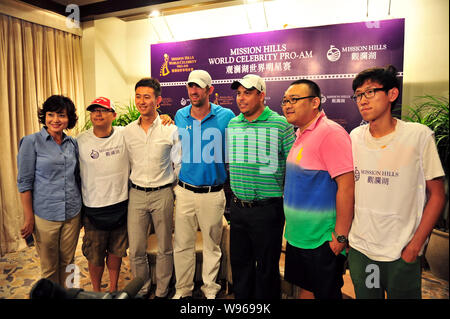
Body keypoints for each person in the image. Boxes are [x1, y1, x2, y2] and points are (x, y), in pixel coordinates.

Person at [347, 65, 445, 299]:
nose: (363, 100)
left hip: (401, 251)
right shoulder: (355, 137)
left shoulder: (418, 136)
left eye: (370, 92)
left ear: (392, 94)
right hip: (362, 250)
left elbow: (438, 194)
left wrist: (415, 246)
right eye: (359, 94)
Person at [281, 79, 354, 299]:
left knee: (326, 293)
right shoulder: (300, 133)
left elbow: (347, 186)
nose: (287, 105)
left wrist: (340, 236)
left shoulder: (330, 133)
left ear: (315, 102)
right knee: (306, 288)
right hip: (299, 236)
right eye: (285, 100)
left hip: (322, 239)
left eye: (294, 99)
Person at [227, 74, 295, 299]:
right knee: (240, 266)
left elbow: (293, 166)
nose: (241, 98)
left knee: (267, 269)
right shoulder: (233, 124)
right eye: (238, 93)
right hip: (237, 210)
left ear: (262, 96)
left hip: (267, 210)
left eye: (247, 93)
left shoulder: (280, 124)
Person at [172, 70, 235, 299]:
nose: (193, 91)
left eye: (198, 87)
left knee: (212, 246)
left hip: (213, 193)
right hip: (185, 191)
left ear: (210, 90)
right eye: (190, 86)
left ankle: (210, 289)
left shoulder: (227, 116)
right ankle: (183, 289)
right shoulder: (179, 115)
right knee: (182, 245)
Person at [123, 78, 180, 299]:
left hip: (163, 194)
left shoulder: (170, 129)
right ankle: (142, 288)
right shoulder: (127, 131)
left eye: (147, 97)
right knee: (136, 249)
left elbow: (179, 163)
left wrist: (169, 185)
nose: (141, 101)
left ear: (158, 100)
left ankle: (163, 290)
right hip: (136, 194)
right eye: (138, 96)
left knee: (165, 246)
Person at [17, 95, 82, 288]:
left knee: (69, 263)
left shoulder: (73, 143)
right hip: (46, 215)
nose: (55, 119)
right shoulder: (31, 142)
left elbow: (77, 177)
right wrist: (29, 218)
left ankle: (70, 294)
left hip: (72, 212)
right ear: (44, 117)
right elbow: (24, 182)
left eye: (61, 115)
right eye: (50, 114)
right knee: (49, 267)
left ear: (68, 118)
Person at [77, 97, 129, 292]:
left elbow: (148, 123)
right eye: (94, 110)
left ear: (113, 115)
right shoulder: (80, 141)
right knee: (95, 255)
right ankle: (97, 291)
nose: (98, 113)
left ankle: (114, 288)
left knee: (116, 252)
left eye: (103, 110)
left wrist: (165, 117)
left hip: (120, 206)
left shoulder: (125, 134)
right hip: (93, 210)